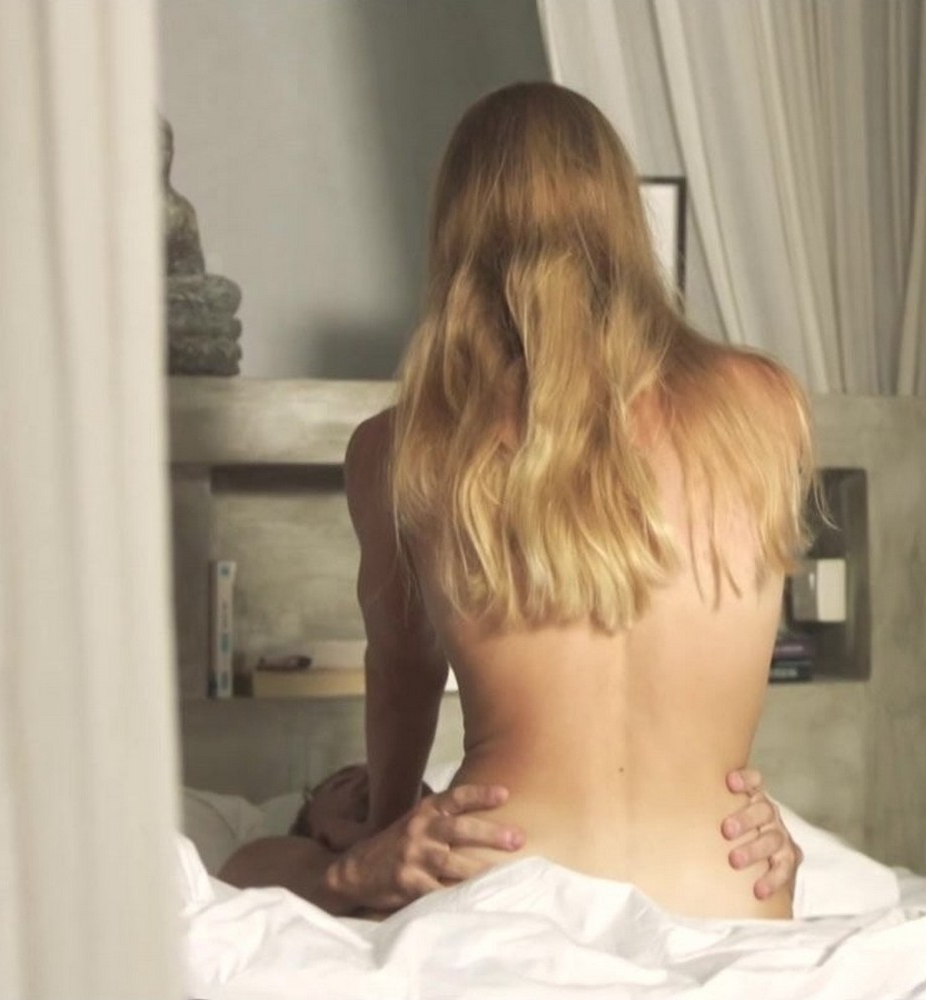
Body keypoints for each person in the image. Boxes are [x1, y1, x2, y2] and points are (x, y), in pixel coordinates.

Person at [335, 82, 815, 920]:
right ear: (622, 218)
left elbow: (404, 676)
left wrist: (378, 842)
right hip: (727, 891)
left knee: (260, 866)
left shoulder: (402, 445)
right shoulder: (765, 406)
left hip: (501, 895)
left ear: (456, 232)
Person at [217, 762, 801, 917]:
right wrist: (349, 874)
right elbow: (240, 876)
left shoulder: (461, 834)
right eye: (342, 786)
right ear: (315, 826)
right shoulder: (302, 862)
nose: (370, 780)